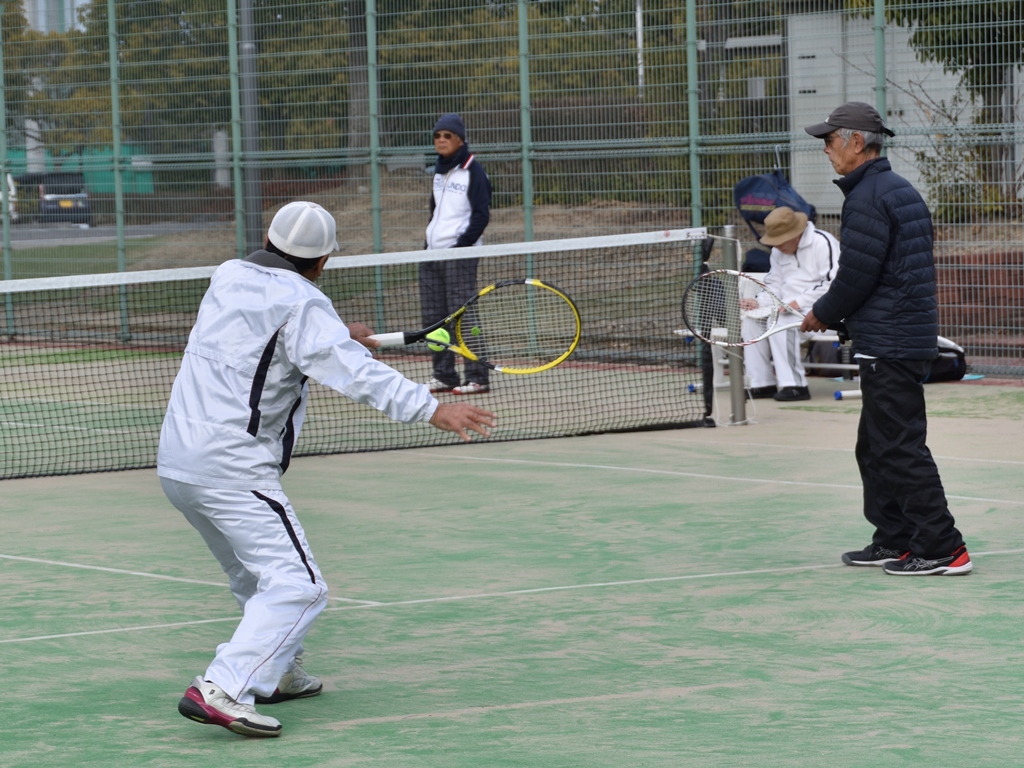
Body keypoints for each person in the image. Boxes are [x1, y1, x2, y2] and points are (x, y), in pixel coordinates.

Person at [158, 201, 497, 738]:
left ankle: (277, 672)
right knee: (300, 586)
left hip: (178, 463)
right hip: (232, 468)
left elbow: (265, 331)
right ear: (324, 261)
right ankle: (223, 686)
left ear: (268, 241)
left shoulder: (228, 276)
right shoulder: (304, 304)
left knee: (254, 578)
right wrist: (432, 407)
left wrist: (335, 333)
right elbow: (355, 373)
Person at [800, 101, 972, 576]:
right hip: (896, 337)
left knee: (898, 447)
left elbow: (859, 275)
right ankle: (896, 538)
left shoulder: (869, 196)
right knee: (876, 447)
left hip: (891, 344)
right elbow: (889, 274)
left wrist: (822, 314)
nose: (826, 150)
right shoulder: (894, 189)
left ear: (857, 142)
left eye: (830, 141)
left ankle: (943, 547)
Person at [420, 113, 493, 395]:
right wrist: (427, 245)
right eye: (437, 136)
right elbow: (435, 212)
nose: (441, 140)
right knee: (433, 319)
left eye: (447, 136)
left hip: (459, 256)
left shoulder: (474, 172)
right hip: (431, 256)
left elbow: (481, 215)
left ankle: (477, 377)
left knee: (462, 316)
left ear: (460, 140)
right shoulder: (438, 172)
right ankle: (444, 374)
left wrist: (461, 246)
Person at [741, 206, 839, 402]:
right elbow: (774, 286)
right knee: (752, 322)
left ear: (796, 234)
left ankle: (795, 386)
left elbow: (834, 283)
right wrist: (758, 302)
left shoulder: (823, 242)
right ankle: (761, 384)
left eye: (780, 240)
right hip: (787, 312)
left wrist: (797, 302)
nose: (776, 246)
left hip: (825, 313)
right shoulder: (778, 252)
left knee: (780, 322)